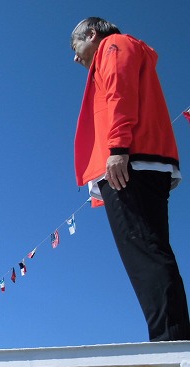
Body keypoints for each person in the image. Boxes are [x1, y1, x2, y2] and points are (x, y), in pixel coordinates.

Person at [70, 17, 190, 341]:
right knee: (152, 248)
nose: (74, 56)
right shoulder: (130, 48)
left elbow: (119, 93)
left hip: (129, 161)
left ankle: (170, 342)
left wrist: (118, 147)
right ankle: (173, 336)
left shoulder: (113, 45)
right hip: (147, 161)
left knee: (144, 251)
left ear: (92, 34)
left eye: (75, 45)